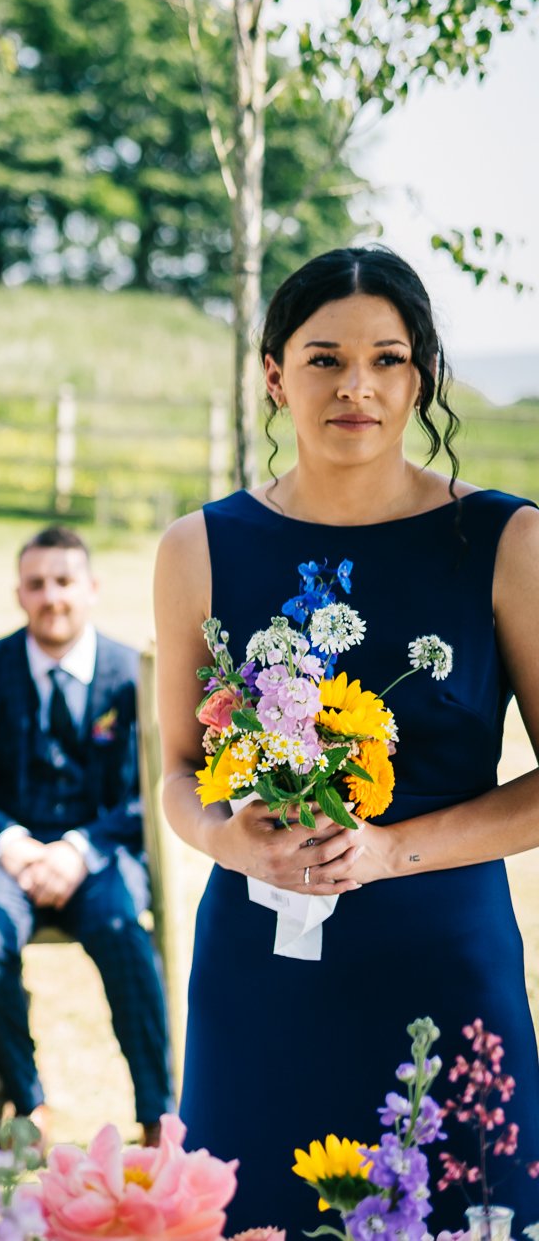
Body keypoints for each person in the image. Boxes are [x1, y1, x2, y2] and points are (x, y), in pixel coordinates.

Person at [157, 247, 539, 1236]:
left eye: (386, 358)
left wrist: (387, 850)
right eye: (323, 358)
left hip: (442, 964)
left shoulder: (503, 542)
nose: (355, 386)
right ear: (273, 372)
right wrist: (222, 837)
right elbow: (171, 768)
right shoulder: (195, 547)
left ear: (419, 375)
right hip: (258, 967)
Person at [0, 526, 170, 1144]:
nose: (52, 597)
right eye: (37, 584)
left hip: (99, 853)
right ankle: (29, 1104)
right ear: (19, 593)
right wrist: (13, 845)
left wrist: (79, 849)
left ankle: (158, 1112)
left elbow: (148, 794)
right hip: (4, 854)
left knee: (123, 928)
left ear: (93, 589)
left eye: (65, 582)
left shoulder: (133, 675)